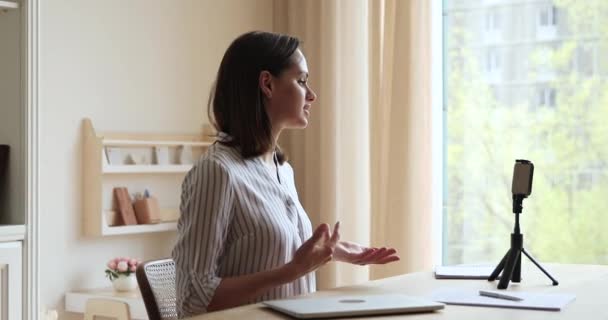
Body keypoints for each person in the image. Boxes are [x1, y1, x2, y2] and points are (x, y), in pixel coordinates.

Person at [172, 31, 400, 318]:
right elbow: (194, 298)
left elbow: (269, 249)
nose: (312, 94)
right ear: (267, 84)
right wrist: (293, 271)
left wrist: (332, 250)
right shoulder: (217, 172)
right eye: (302, 81)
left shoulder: (282, 171)